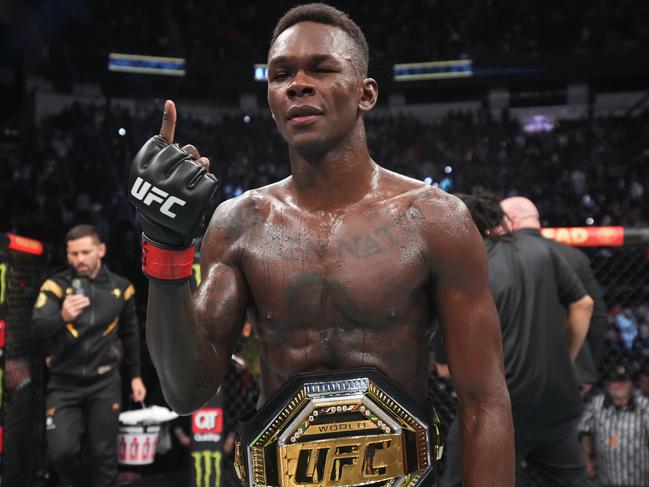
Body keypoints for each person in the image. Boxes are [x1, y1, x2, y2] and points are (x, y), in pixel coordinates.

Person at [128, 4, 514, 486]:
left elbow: (485, 401)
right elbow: (186, 390)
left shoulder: (435, 219)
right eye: (281, 73)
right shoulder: (239, 224)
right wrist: (165, 248)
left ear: (366, 93)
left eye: (322, 68)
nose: (298, 84)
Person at [438, 193, 596, 487]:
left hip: (500, 405)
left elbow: (446, 366)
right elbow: (584, 304)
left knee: (459, 479)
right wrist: (565, 358)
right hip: (554, 401)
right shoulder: (543, 251)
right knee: (573, 480)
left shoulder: (471, 265)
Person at [32, 224, 147, 487]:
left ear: (101, 250)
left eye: (85, 252)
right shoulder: (56, 286)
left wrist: (136, 377)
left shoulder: (121, 288)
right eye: (73, 254)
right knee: (61, 453)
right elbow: (37, 327)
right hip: (63, 383)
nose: (79, 259)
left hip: (104, 382)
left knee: (104, 456)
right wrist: (62, 316)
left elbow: (130, 335)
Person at [501, 196, 608, 392]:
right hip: (572, 374)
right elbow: (598, 315)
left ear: (512, 220)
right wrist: (585, 366)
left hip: (517, 373)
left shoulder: (498, 258)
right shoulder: (575, 256)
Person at [579, 364, 649, 486]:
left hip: (639, 479)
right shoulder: (596, 404)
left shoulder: (644, 406)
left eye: (622, 382)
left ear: (630, 384)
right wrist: (587, 459)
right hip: (605, 478)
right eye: (613, 382)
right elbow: (585, 431)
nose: (617, 386)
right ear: (607, 384)